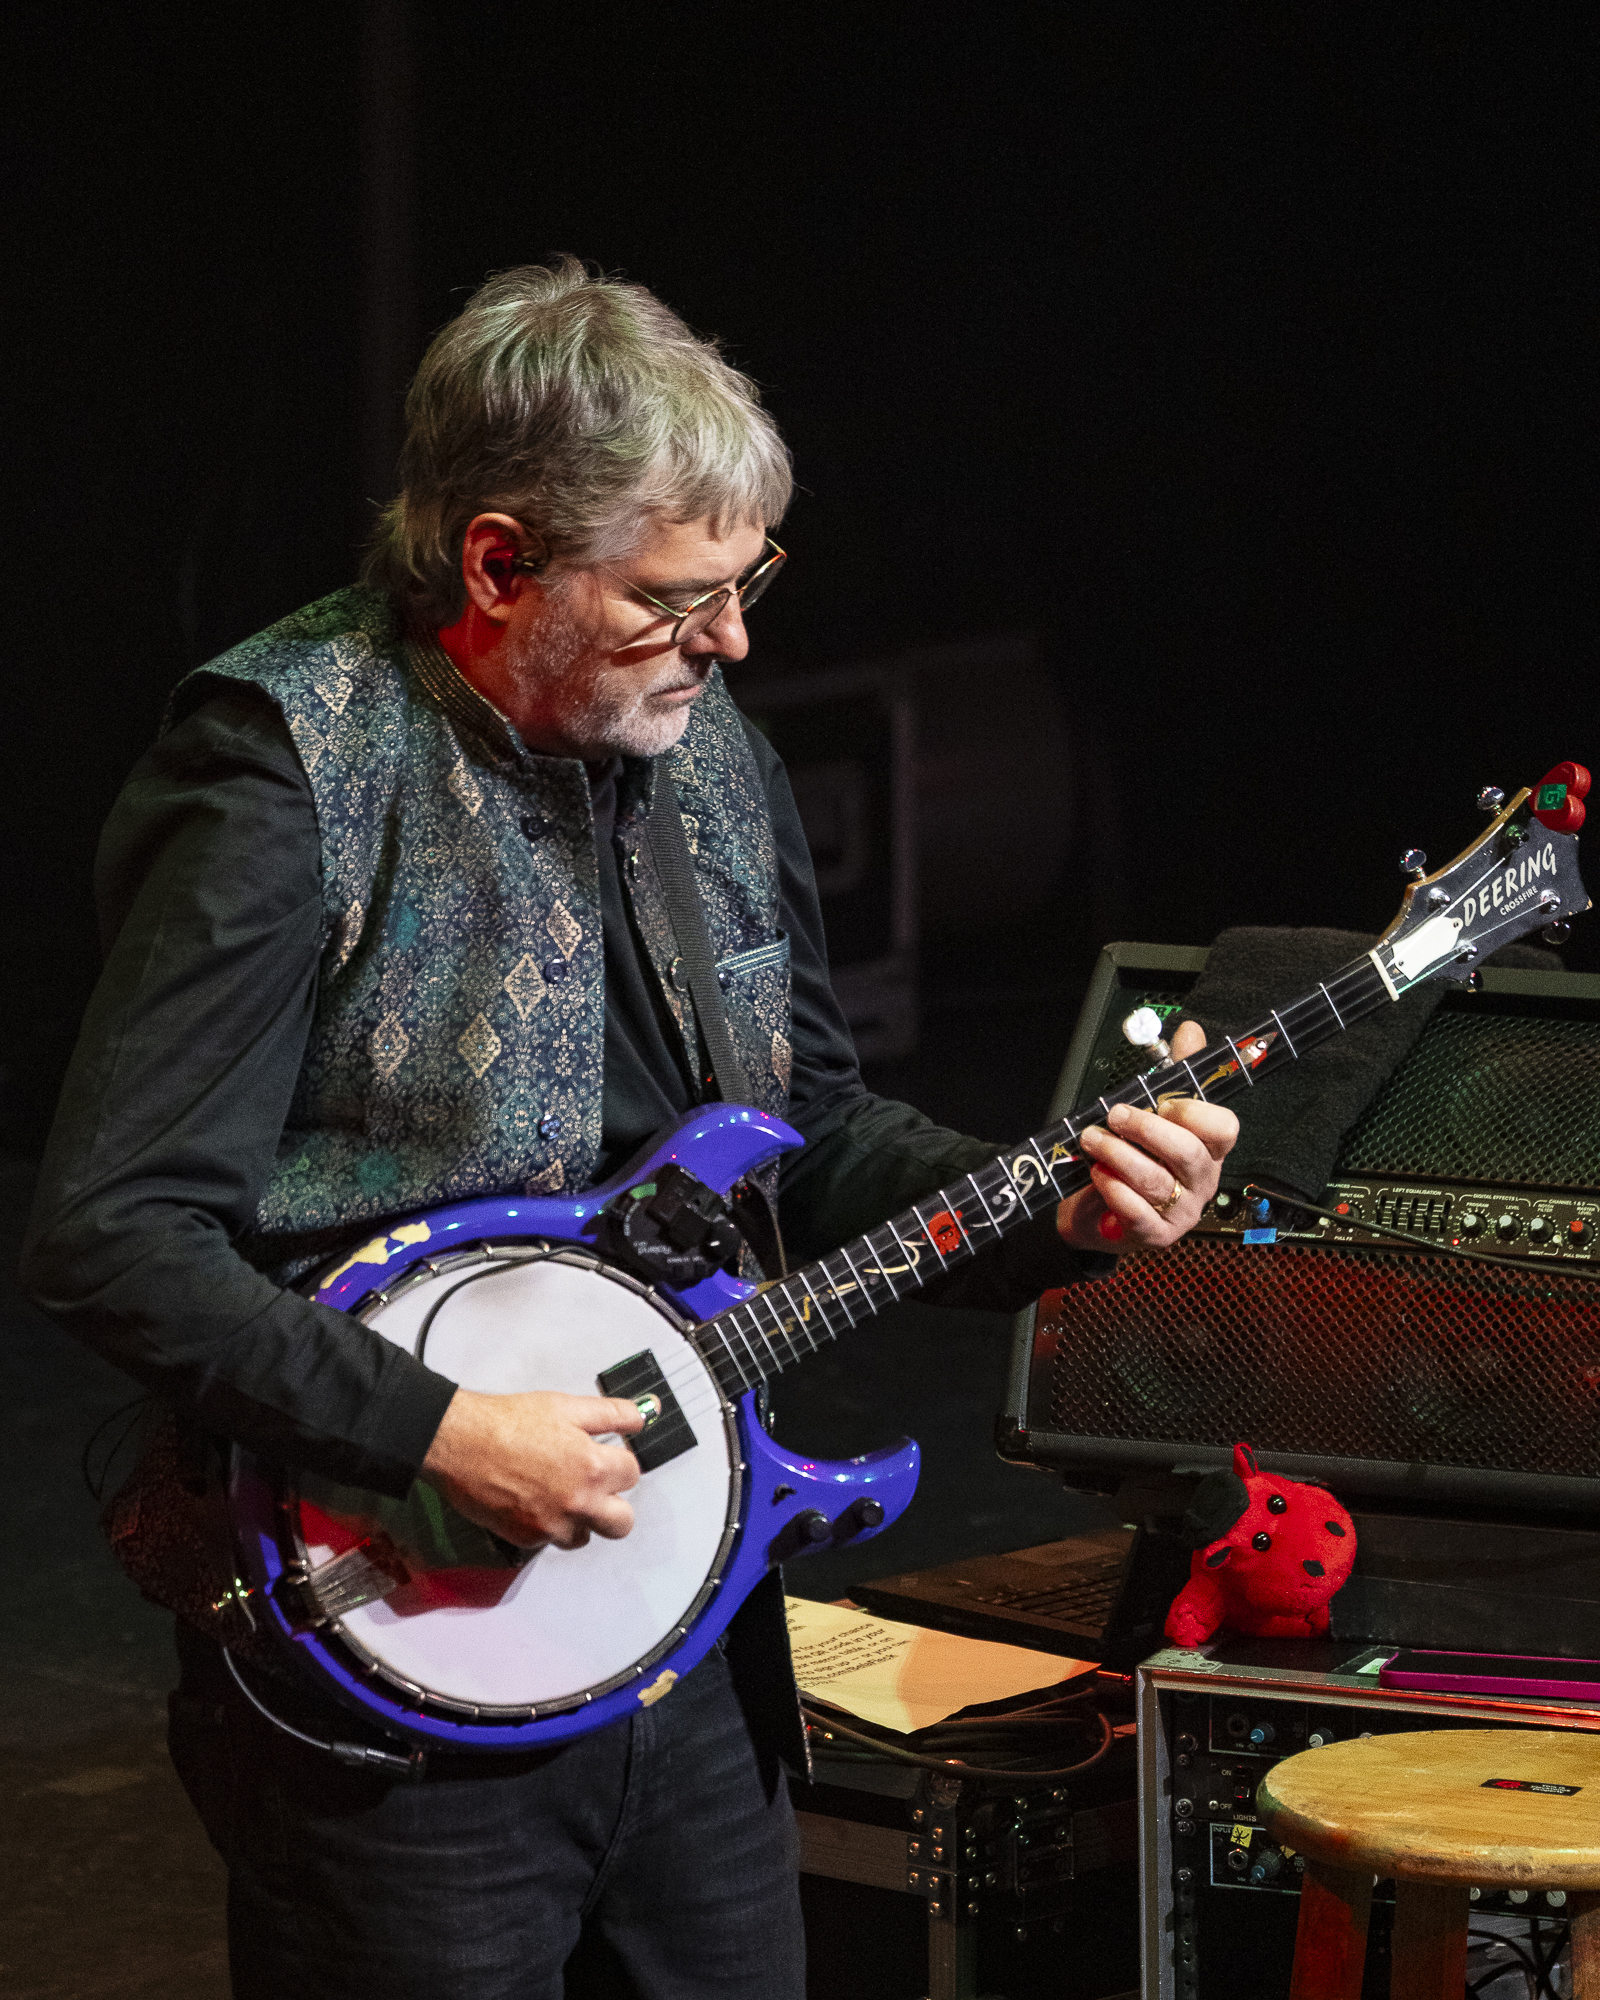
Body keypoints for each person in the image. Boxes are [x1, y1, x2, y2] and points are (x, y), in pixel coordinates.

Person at [21, 258, 1237, 2000]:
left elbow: (805, 1128)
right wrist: (438, 1429)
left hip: (690, 1622)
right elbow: (113, 1232)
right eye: (675, 600)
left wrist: (1061, 1207)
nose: (732, 644)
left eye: (747, 586)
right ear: (497, 563)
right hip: (403, 1661)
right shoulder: (282, 771)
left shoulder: (703, 744)